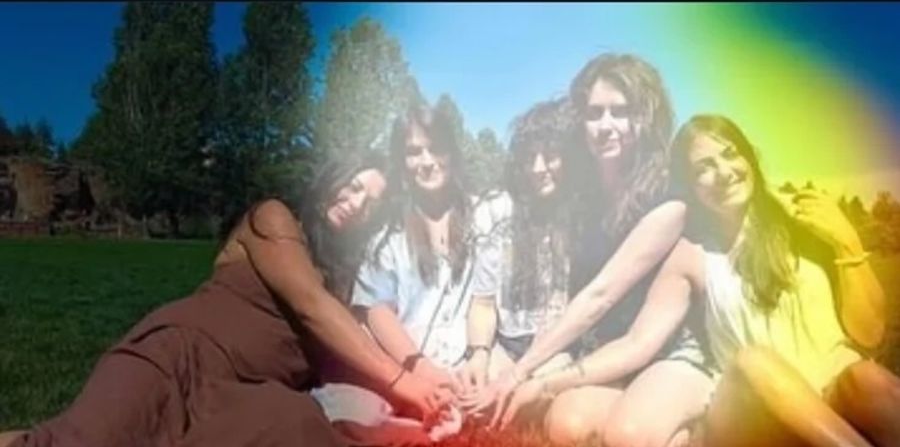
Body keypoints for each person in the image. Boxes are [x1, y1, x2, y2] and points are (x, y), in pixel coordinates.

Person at [0, 151, 450, 447]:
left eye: (371, 201)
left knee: (296, 423)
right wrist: (408, 384)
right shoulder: (272, 218)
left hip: (241, 400)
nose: (356, 203)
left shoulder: (344, 284)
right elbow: (310, 306)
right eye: (352, 186)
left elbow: (348, 355)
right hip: (180, 362)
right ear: (331, 177)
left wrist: (416, 413)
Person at [483, 54, 704, 446]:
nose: (605, 126)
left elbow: (600, 295)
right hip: (606, 350)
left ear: (645, 118)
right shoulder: (584, 195)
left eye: (620, 112)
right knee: (566, 424)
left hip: (661, 350)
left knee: (628, 434)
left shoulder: (667, 200)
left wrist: (519, 372)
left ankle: (687, 430)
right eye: (594, 113)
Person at [659, 114, 898, 447]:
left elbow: (870, 334)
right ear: (690, 188)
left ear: (749, 157)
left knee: (866, 377)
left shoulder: (805, 223)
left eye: (730, 154)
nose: (724, 172)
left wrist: (847, 242)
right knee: (754, 362)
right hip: (749, 417)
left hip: (832, 400)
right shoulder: (691, 252)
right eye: (704, 168)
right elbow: (638, 338)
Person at [312, 104, 477, 444]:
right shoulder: (386, 232)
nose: (426, 161)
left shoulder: (482, 217)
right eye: (414, 152)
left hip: (460, 364)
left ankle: (428, 421)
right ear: (403, 162)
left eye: (435, 148)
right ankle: (410, 427)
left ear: (452, 152)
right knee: (347, 410)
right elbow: (377, 310)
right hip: (403, 362)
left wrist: (474, 361)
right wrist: (421, 369)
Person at [456, 98, 580, 408]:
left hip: (561, 349)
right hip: (505, 345)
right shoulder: (496, 212)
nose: (538, 169)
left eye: (550, 156)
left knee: (533, 402)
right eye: (529, 158)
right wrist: (479, 354)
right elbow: (483, 303)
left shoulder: (584, 218)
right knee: (475, 397)